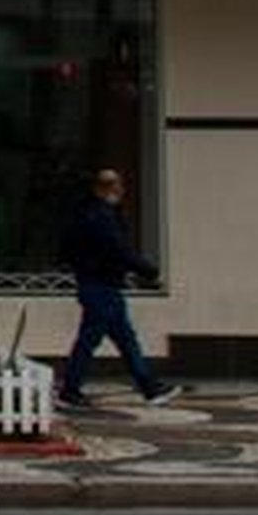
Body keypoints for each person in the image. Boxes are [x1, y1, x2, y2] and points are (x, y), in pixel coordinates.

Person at [56, 167, 177, 408]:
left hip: (98, 285)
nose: (121, 191)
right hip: (101, 287)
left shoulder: (85, 213)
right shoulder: (101, 217)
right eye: (118, 186)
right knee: (91, 340)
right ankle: (70, 390)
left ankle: (149, 388)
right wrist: (148, 270)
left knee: (124, 339)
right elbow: (118, 249)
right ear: (106, 189)